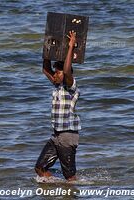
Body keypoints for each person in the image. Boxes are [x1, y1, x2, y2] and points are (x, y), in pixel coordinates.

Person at [35, 31, 81, 181]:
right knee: (40, 168)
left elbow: (67, 70)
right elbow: (45, 69)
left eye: (57, 72)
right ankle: (58, 189)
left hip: (67, 136)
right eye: (55, 73)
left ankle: (72, 193)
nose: (54, 75)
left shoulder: (71, 86)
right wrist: (48, 47)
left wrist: (71, 47)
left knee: (70, 177)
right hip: (56, 135)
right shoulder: (58, 85)